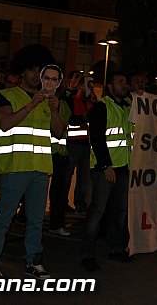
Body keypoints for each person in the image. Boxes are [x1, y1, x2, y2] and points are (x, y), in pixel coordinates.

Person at [0, 44, 64, 279]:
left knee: (36, 220)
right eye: (31, 69)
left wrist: (55, 110)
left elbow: (59, 133)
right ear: (22, 72)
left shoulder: (49, 100)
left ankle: (34, 262)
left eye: (39, 70)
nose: (34, 74)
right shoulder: (5, 96)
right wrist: (31, 104)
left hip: (40, 169)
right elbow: (6, 123)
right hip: (15, 168)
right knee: (3, 219)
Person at [80, 72, 134, 272]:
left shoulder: (129, 106)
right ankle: (87, 254)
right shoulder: (101, 107)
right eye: (119, 81)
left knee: (120, 212)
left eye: (125, 81)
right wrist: (105, 165)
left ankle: (116, 248)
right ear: (110, 87)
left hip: (124, 169)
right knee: (98, 213)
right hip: (106, 170)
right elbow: (97, 138)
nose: (124, 84)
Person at [41, 65, 72, 236]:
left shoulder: (65, 104)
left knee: (59, 192)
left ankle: (56, 223)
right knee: (36, 192)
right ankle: (25, 219)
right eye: (48, 79)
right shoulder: (38, 100)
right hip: (43, 153)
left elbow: (63, 129)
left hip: (60, 154)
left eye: (57, 80)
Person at [65, 74, 94, 216]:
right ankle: (62, 203)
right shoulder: (72, 101)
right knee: (67, 175)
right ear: (81, 86)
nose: (91, 89)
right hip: (73, 144)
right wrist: (81, 119)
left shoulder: (91, 102)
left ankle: (80, 205)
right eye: (88, 86)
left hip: (86, 144)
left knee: (84, 177)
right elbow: (68, 119)